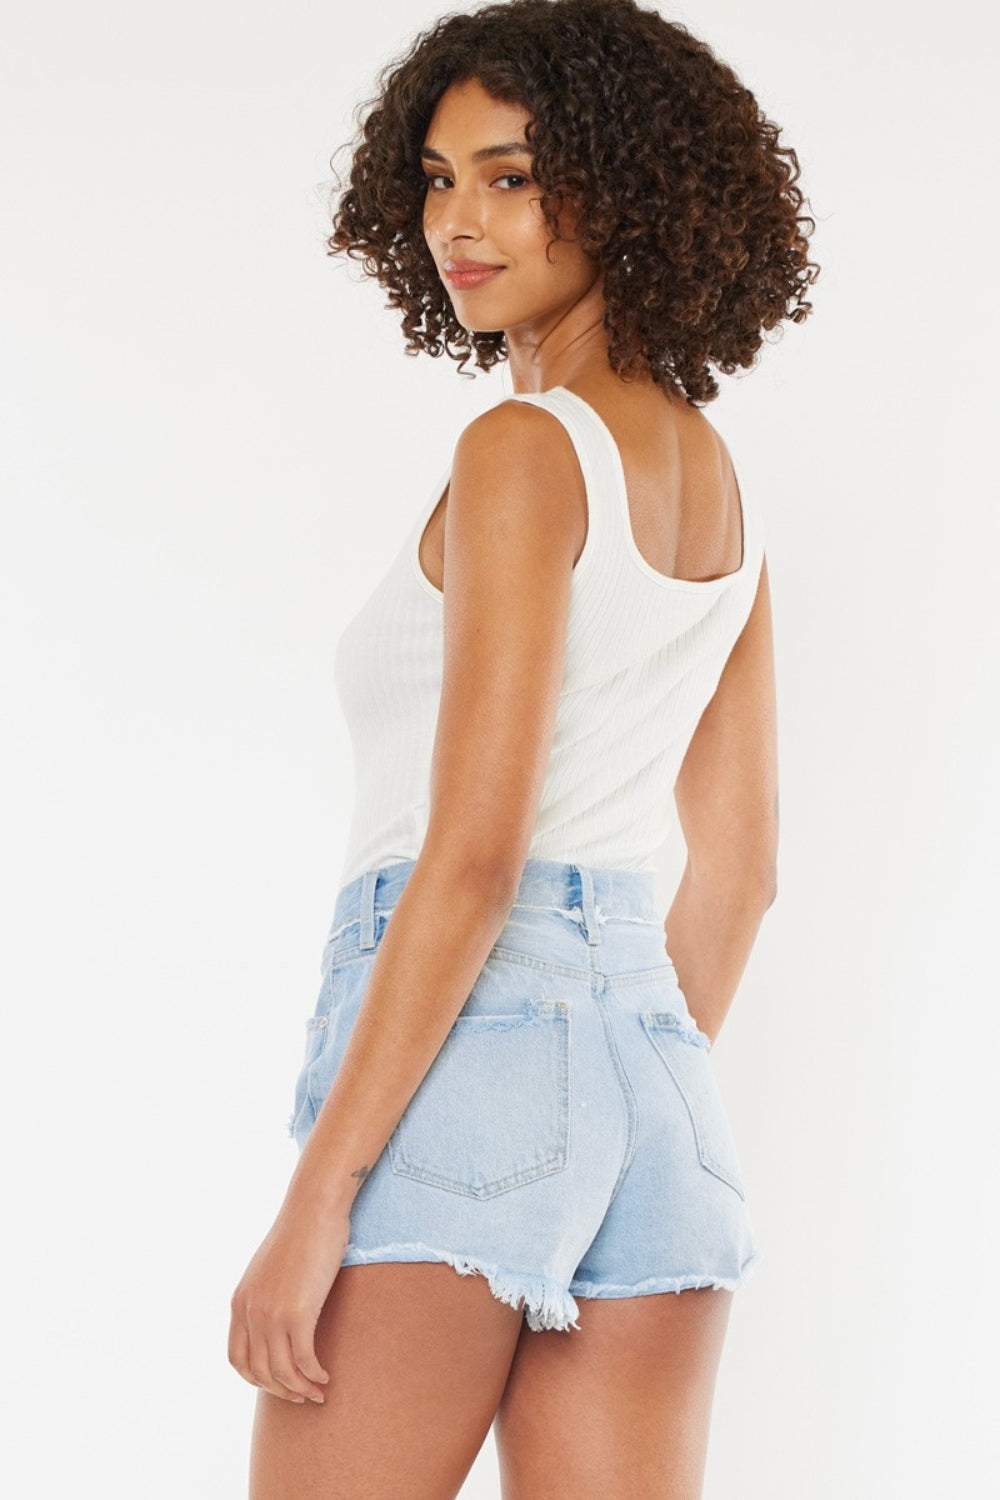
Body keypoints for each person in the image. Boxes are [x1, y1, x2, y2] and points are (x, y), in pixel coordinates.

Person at [229, 0, 818, 1494]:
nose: (458, 221)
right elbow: (740, 875)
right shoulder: (721, 492)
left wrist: (319, 1199)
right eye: (435, 178)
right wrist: (599, 1108)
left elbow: (477, 853)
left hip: (463, 1050)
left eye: (509, 174)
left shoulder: (524, 449)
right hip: (657, 1082)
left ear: (623, 185)